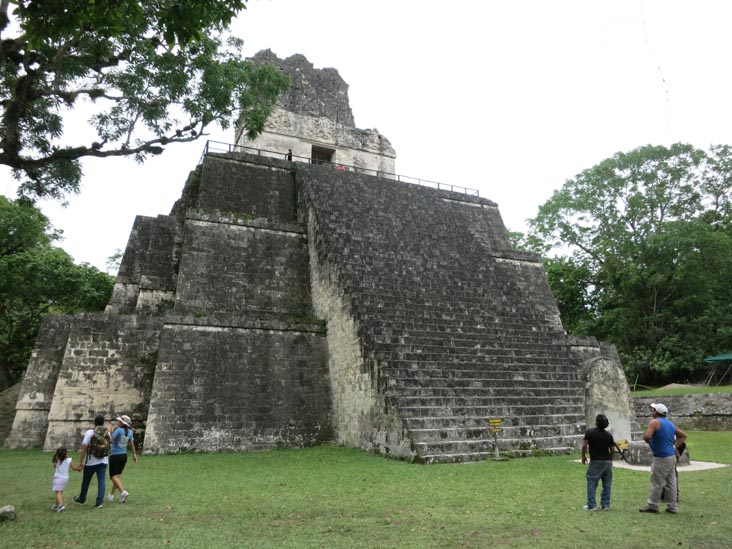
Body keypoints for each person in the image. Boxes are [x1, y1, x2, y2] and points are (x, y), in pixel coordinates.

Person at [639, 403, 687, 514]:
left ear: (656, 412)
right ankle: (672, 507)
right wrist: (674, 446)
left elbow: (647, 436)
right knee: (671, 482)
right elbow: (683, 435)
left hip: (661, 457)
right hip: (671, 456)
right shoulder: (670, 424)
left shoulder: (654, 422)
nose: (652, 411)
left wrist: (648, 440)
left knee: (657, 481)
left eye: (653, 409)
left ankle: (652, 505)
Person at [73, 414, 110, 508]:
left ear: (94, 423)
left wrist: (81, 461)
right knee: (101, 481)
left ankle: (82, 498)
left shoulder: (90, 432)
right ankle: (99, 502)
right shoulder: (107, 433)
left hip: (91, 462)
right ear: (103, 423)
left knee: (86, 481)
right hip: (103, 461)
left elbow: (84, 447)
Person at [581, 413, 615, 511]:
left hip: (595, 461)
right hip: (607, 462)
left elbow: (584, 446)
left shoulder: (590, 433)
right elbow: (612, 450)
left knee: (592, 482)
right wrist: (610, 460)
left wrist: (583, 456)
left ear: (596, 422)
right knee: (607, 484)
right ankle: (606, 505)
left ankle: (592, 505)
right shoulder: (609, 435)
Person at [107, 415, 137, 503]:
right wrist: (134, 454)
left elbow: (111, 440)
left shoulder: (119, 430)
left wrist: (109, 431)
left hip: (115, 456)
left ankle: (123, 492)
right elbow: (131, 444)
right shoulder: (130, 432)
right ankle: (111, 495)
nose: (117, 422)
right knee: (117, 476)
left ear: (122, 423)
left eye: (119, 421)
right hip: (124, 455)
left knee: (113, 477)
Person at [51, 447, 77, 512]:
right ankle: (57, 505)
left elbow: (54, 466)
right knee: (60, 492)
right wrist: (79, 468)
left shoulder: (56, 459)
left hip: (57, 478)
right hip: (65, 478)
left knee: (57, 493)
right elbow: (74, 468)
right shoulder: (69, 460)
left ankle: (61, 506)